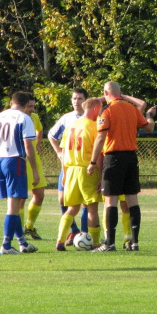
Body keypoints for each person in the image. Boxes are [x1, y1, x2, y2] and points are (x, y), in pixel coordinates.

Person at [87, 81, 156, 251]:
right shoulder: (132, 109)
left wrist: (93, 162)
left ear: (105, 93)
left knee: (111, 201)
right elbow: (149, 129)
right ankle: (134, 242)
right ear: (120, 93)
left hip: (113, 159)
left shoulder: (107, 111)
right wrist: (150, 116)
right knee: (132, 200)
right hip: (131, 158)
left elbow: (101, 138)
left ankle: (110, 243)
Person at [0, 91, 39, 254]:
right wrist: (34, 170)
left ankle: (22, 242)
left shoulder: (0, 117)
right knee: (13, 207)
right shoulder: (24, 118)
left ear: (12, 102)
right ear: (26, 105)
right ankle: (6, 245)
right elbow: (28, 146)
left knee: (11, 204)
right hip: (14, 161)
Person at [55, 98, 104, 251]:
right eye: (100, 109)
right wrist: (101, 176)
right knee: (92, 208)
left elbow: (63, 152)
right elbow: (99, 153)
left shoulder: (71, 126)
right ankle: (95, 243)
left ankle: (60, 241)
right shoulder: (94, 126)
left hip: (70, 170)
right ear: (95, 109)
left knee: (72, 208)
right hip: (86, 170)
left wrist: (64, 173)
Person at [48, 88, 89, 246]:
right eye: (74, 98)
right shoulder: (67, 118)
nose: (76, 101)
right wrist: (58, 151)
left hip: (84, 167)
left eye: (80, 98)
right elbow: (51, 135)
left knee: (86, 202)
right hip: (67, 167)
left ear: (85, 100)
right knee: (62, 200)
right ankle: (74, 230)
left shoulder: (91, 118)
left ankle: (84, 234)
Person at [22, 93, 48, 240]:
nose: (32, 109)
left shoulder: (34, 117)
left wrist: (38, 144)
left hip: (34, 159)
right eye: (29, 106)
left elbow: (40, 129)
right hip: (20, 160)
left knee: (39, 194)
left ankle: (29, 227)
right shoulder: (16, 117)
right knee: (20, 198)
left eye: (33, 106)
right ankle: (18, 232)